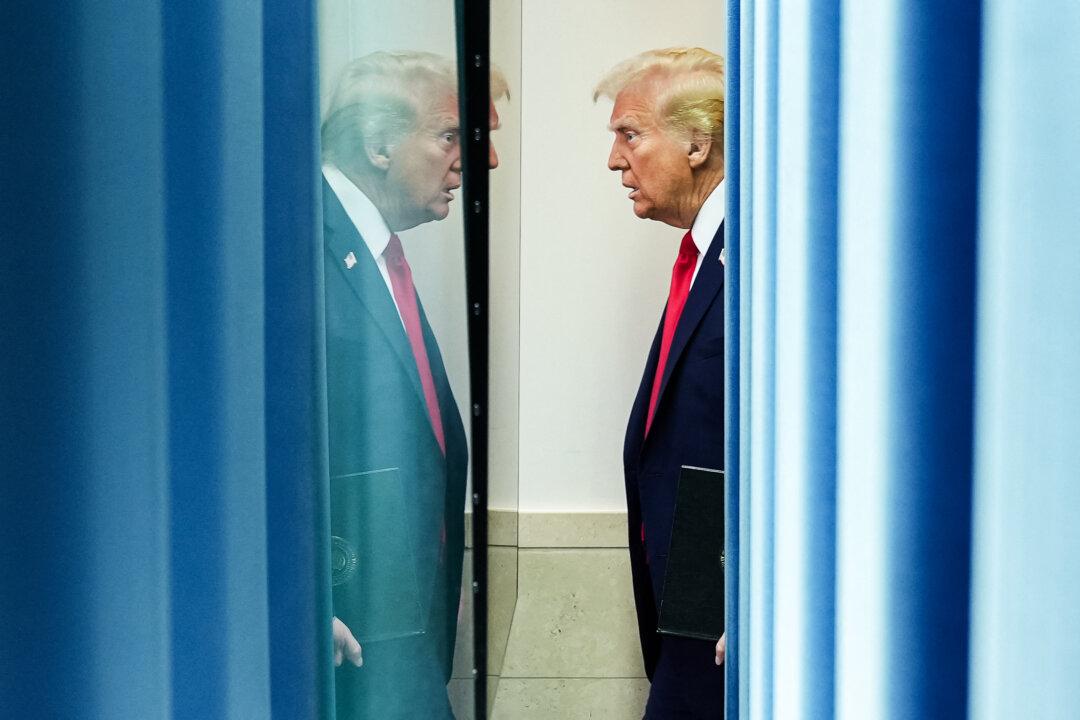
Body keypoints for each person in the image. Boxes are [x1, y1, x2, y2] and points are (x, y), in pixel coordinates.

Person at [320, 50, 505, 720]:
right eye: (451, 136)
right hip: (343, 641)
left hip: (400, 636)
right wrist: (299, 597)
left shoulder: (370, 252)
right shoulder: (292, 242)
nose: (480, 162)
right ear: (378, 144)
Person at [595, 46, 727, 719]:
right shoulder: (706, 254)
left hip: (728, 614)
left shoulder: (768, 250)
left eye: (631, 134)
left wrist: (762, 593)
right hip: (689, 605)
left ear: (697, 144)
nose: (615, 160)